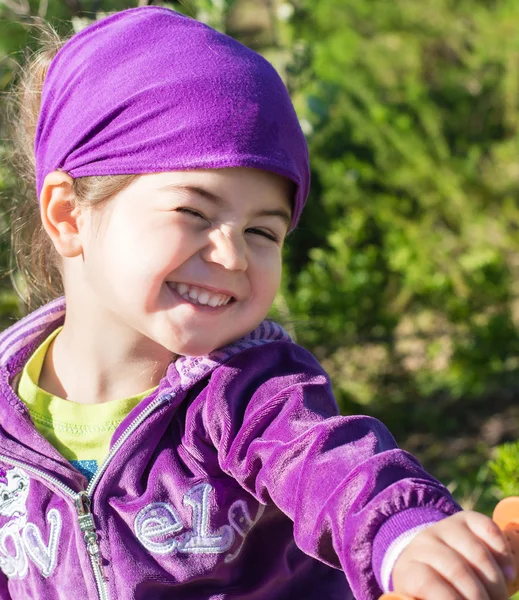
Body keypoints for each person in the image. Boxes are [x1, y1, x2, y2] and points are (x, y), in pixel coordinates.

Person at [0, 6, 514, 600]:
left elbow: (334, 466)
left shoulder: (250, 391)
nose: (233, 256)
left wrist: (404, 536)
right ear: (68, 215)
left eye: (263, 232)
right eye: (193, 212)